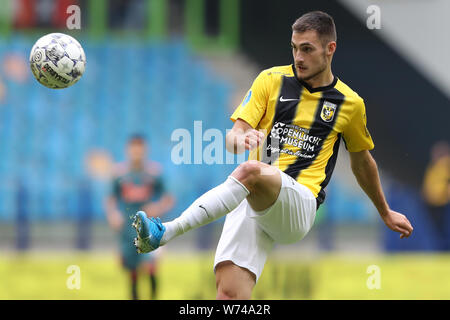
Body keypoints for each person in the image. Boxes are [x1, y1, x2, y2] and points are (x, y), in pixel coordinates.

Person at [132, 11, 414, 299]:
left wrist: (384, 211)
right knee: (229, 296)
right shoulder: (270, 80)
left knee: (250, 170)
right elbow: (233, 138)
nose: (298, 57)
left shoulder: (350, 104)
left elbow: (362, 163)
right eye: (294, 48)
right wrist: (242, 138)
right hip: (254, 195)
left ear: (330, 49)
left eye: (307, 49)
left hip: (298, 205)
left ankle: (164, 232)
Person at [105, 134, 174, 300]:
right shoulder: (119, 174)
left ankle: (152, 296)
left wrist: (157, 207)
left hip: (150, 227)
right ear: (128, 150)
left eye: (140, 148)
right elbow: (111, 199)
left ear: (145, 150)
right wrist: (113, 214)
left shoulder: (154, 173)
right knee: (132, 269)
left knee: (151, 266)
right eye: (133, 148)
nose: (136, 152)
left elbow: (168, 199)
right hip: (129, 228)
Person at [422, 141, 450, 250]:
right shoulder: (434, 166)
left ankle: (445, 250)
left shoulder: (445, 164)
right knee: (437, 230)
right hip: (433, 203)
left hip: (444, 203)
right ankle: (441, 250)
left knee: (444, 229)